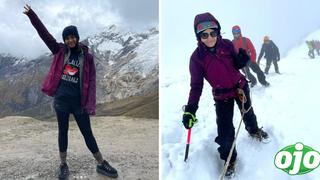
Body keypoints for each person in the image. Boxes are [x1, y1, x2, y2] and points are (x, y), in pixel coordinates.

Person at [23, 4, 118, 179]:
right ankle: (63, 164)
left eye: (72, 37)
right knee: (63, 132)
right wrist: (32, 16)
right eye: (67, 38)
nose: (70, 41)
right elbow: (44, 34)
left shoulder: (86, 57)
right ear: (64, 40)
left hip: (78, 103)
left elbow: (91, 81)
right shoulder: (59, 50)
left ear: (77, 38)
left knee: (87, 132)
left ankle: (101, 163)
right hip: (61, 101)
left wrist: (88, 103)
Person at [182, 12, 269, 177]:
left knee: (248, 112)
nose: (209, 38)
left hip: (240, 88)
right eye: (204, 35)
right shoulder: (196, 58)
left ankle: (253, 129)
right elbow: (196, 86)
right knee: (225, 130)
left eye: (213, 33)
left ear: (218, 31)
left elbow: (235, 64)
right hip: (222, 97)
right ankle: (230, 160)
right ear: (198, 36)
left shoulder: (227, 45)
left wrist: (241, 60)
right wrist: (190, 109)